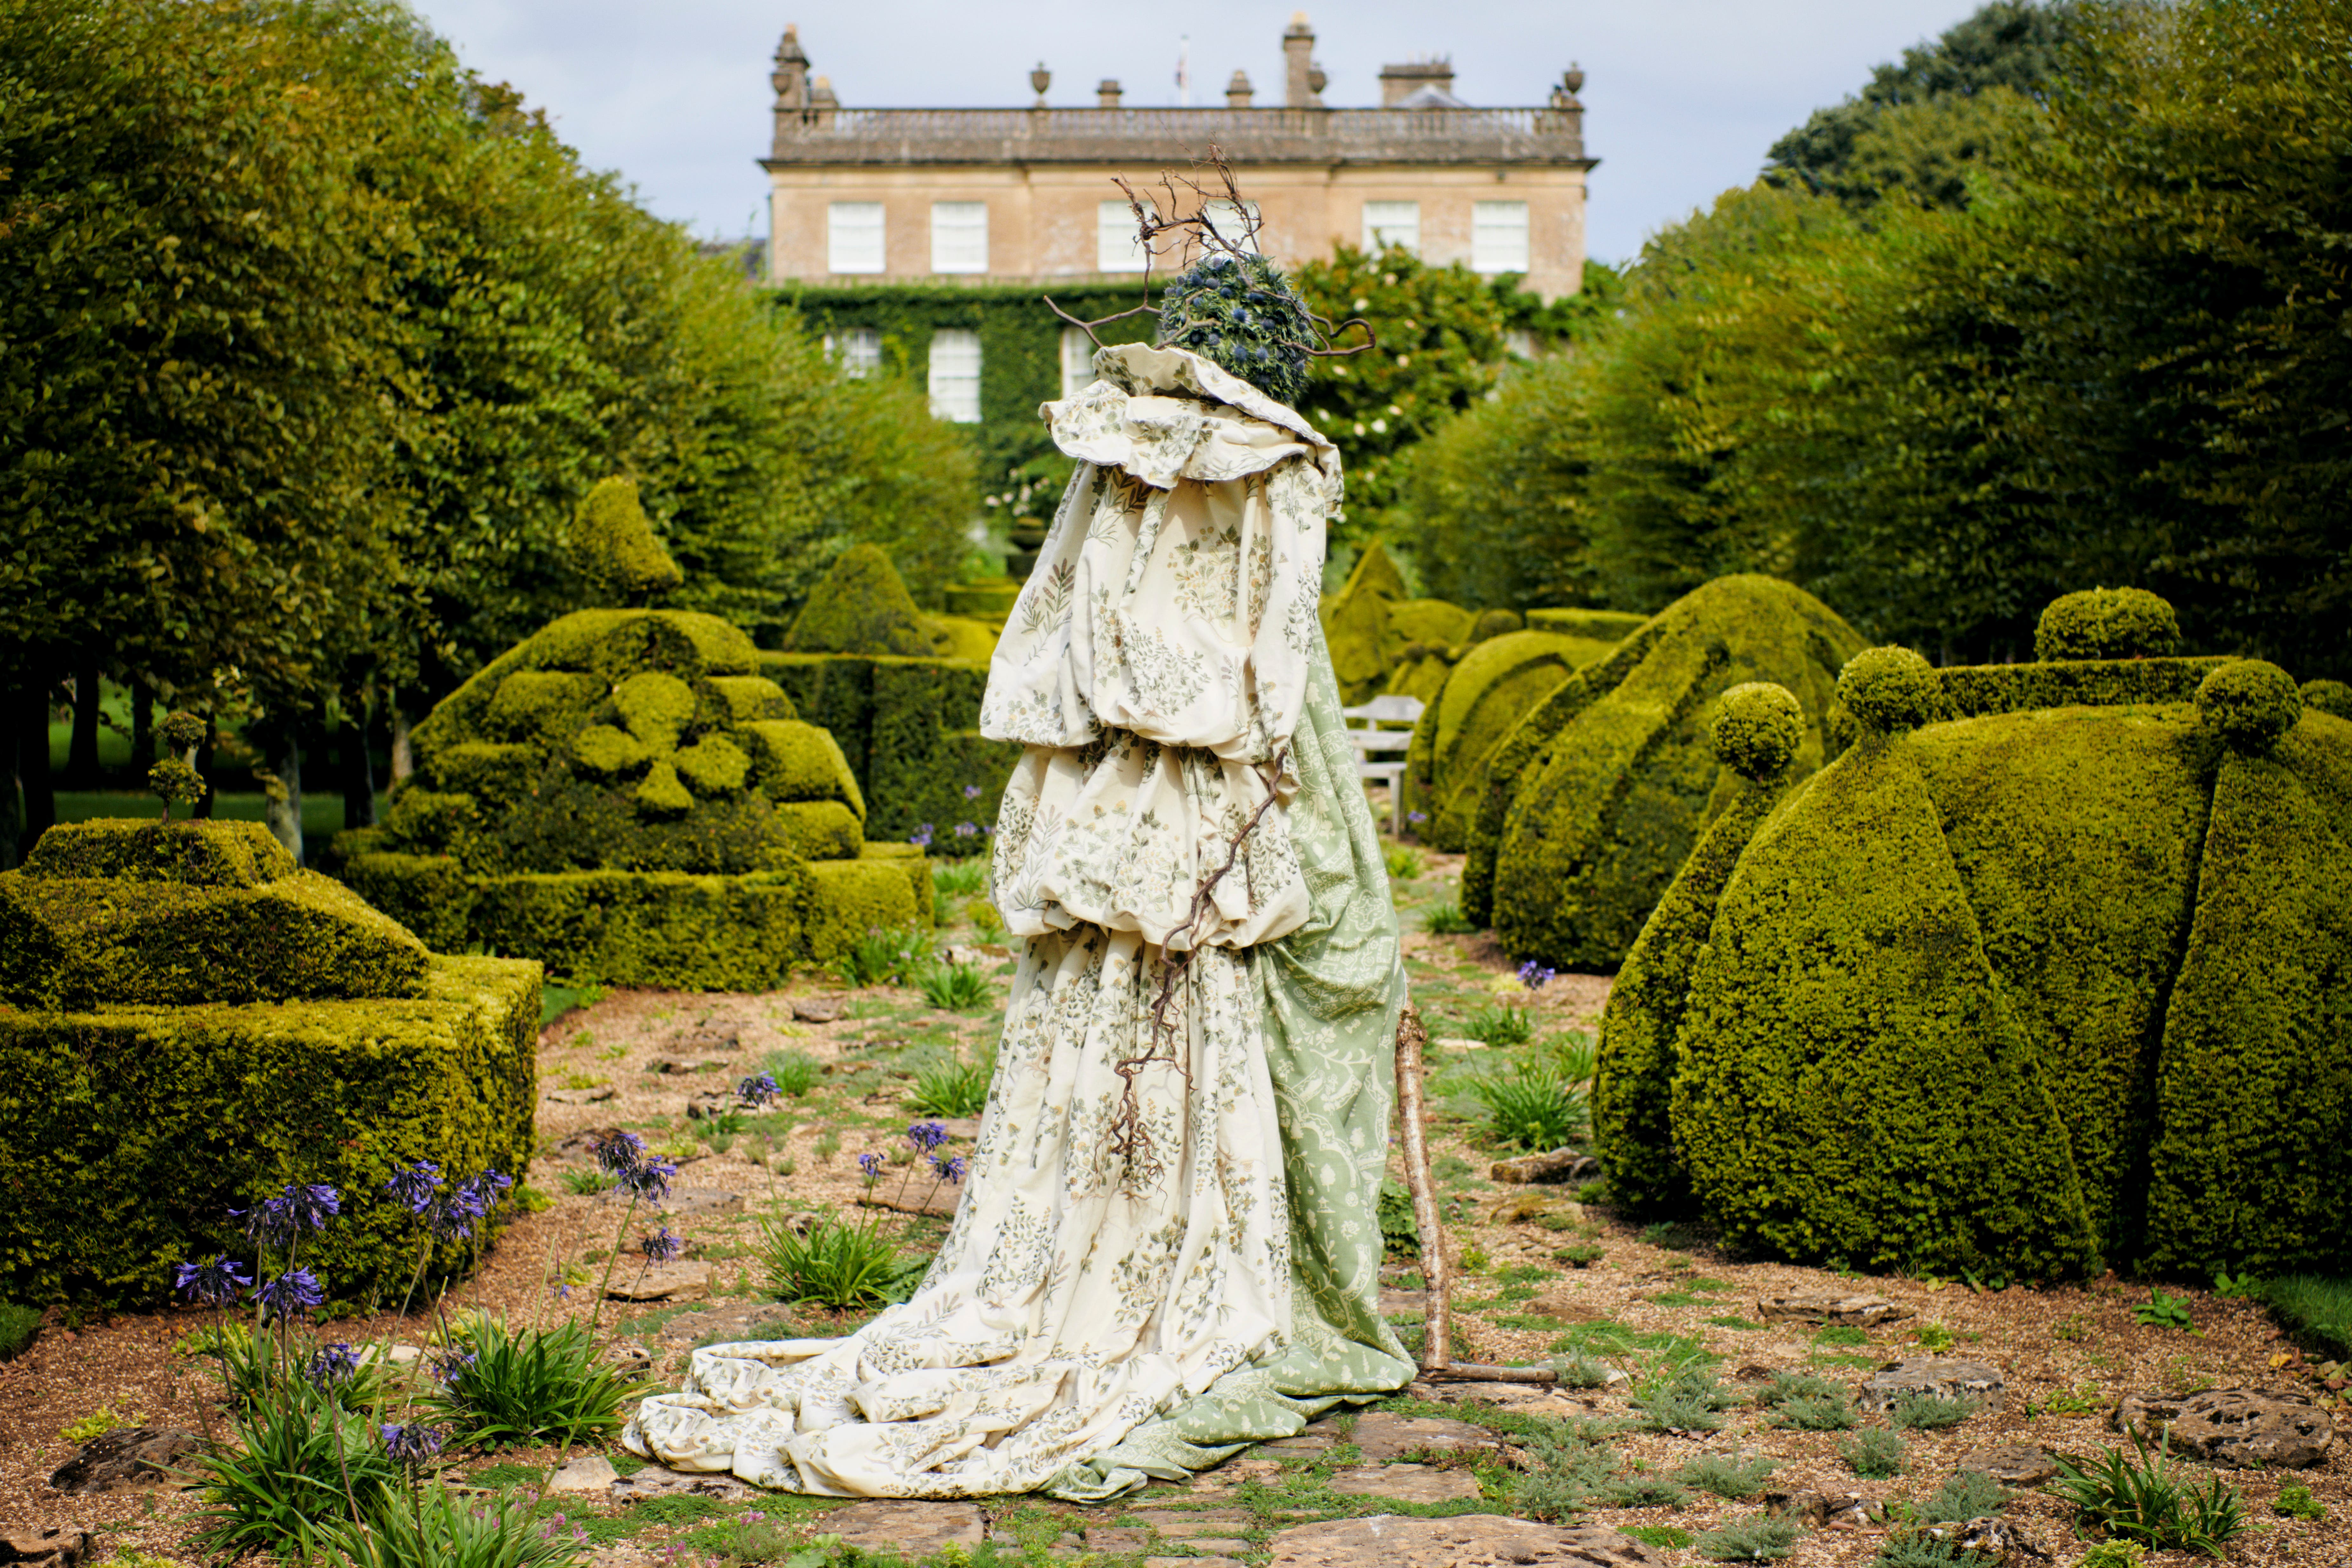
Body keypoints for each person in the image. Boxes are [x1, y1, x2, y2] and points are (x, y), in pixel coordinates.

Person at [624, 240, 1412, 1500]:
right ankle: (1165, 1278)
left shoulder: (1115, 478)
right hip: (1187, 815)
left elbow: (1086, 649)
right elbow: (1269, 685)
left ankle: (1101, 1254)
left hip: (1125, 808)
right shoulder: (1267, 475)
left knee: (1116, 1036)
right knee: (1180, 1035)